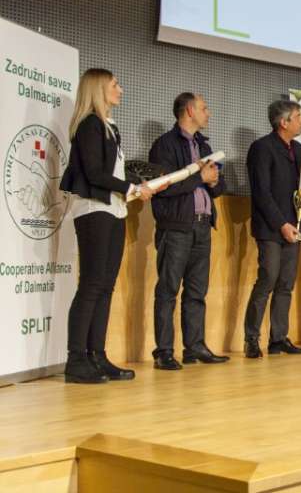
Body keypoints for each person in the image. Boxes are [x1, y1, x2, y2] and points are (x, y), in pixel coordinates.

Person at [59, 68, 160, 384]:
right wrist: (132, 188)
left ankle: (97, 356)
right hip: (93, 209)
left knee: (105, 285)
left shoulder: (108, 126)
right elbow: (94, 173)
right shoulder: (90, 124)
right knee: (91, 284)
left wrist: (136, 186)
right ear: (99, 88)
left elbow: (111, 173)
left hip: (114, 210)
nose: (120, 89)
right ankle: (76, 360)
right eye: (115, 84)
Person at [148, 92, 228, 370]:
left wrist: (214, 181)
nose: (209, 113)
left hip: (202, 226)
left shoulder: (204, 146)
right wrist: (200, 177)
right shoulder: (164, 145)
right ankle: (164, 351)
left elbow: (219, 187)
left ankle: (194, 347)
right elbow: (163, 187)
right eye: (204, 108)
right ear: (190, 111)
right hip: (176, 227)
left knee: (197, 291)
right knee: (168, 290)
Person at [243, 100, 301, 358]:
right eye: (298, 116)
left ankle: (278, 338)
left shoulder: (299, 149)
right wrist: (281, 224)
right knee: (268, 279)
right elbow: (261, 193)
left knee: (286, 283)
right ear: (283, 122)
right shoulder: (262, 148)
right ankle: (251, 339)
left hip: (294, 225)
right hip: (271, 227)